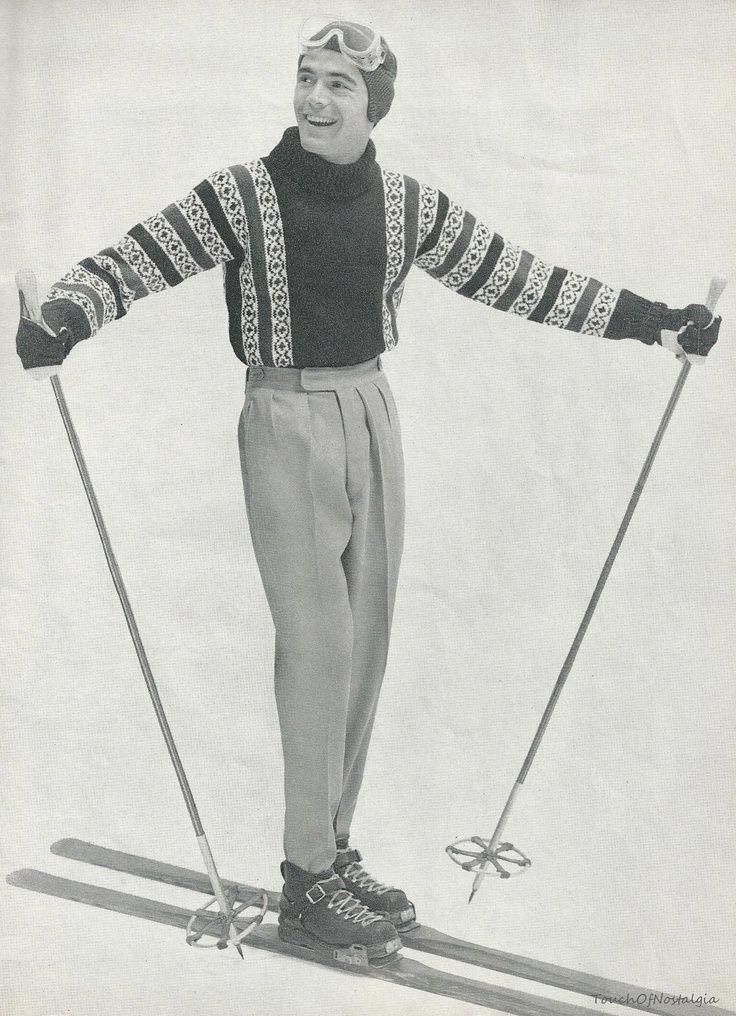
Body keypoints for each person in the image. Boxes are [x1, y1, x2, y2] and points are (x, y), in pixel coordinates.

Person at [15, 18, 721, 966]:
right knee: (317, 646)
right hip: (286, 418)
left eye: (338, 84)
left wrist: (654, 322)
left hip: (371, 410)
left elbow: (520, 278)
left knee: (365, 643)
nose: (314, 98)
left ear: (373, 105)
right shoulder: (243, 195)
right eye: (306, 77)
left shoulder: (406, 206)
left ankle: (332, 852)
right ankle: (307, 879)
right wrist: (66, 314)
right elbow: (138, 258)